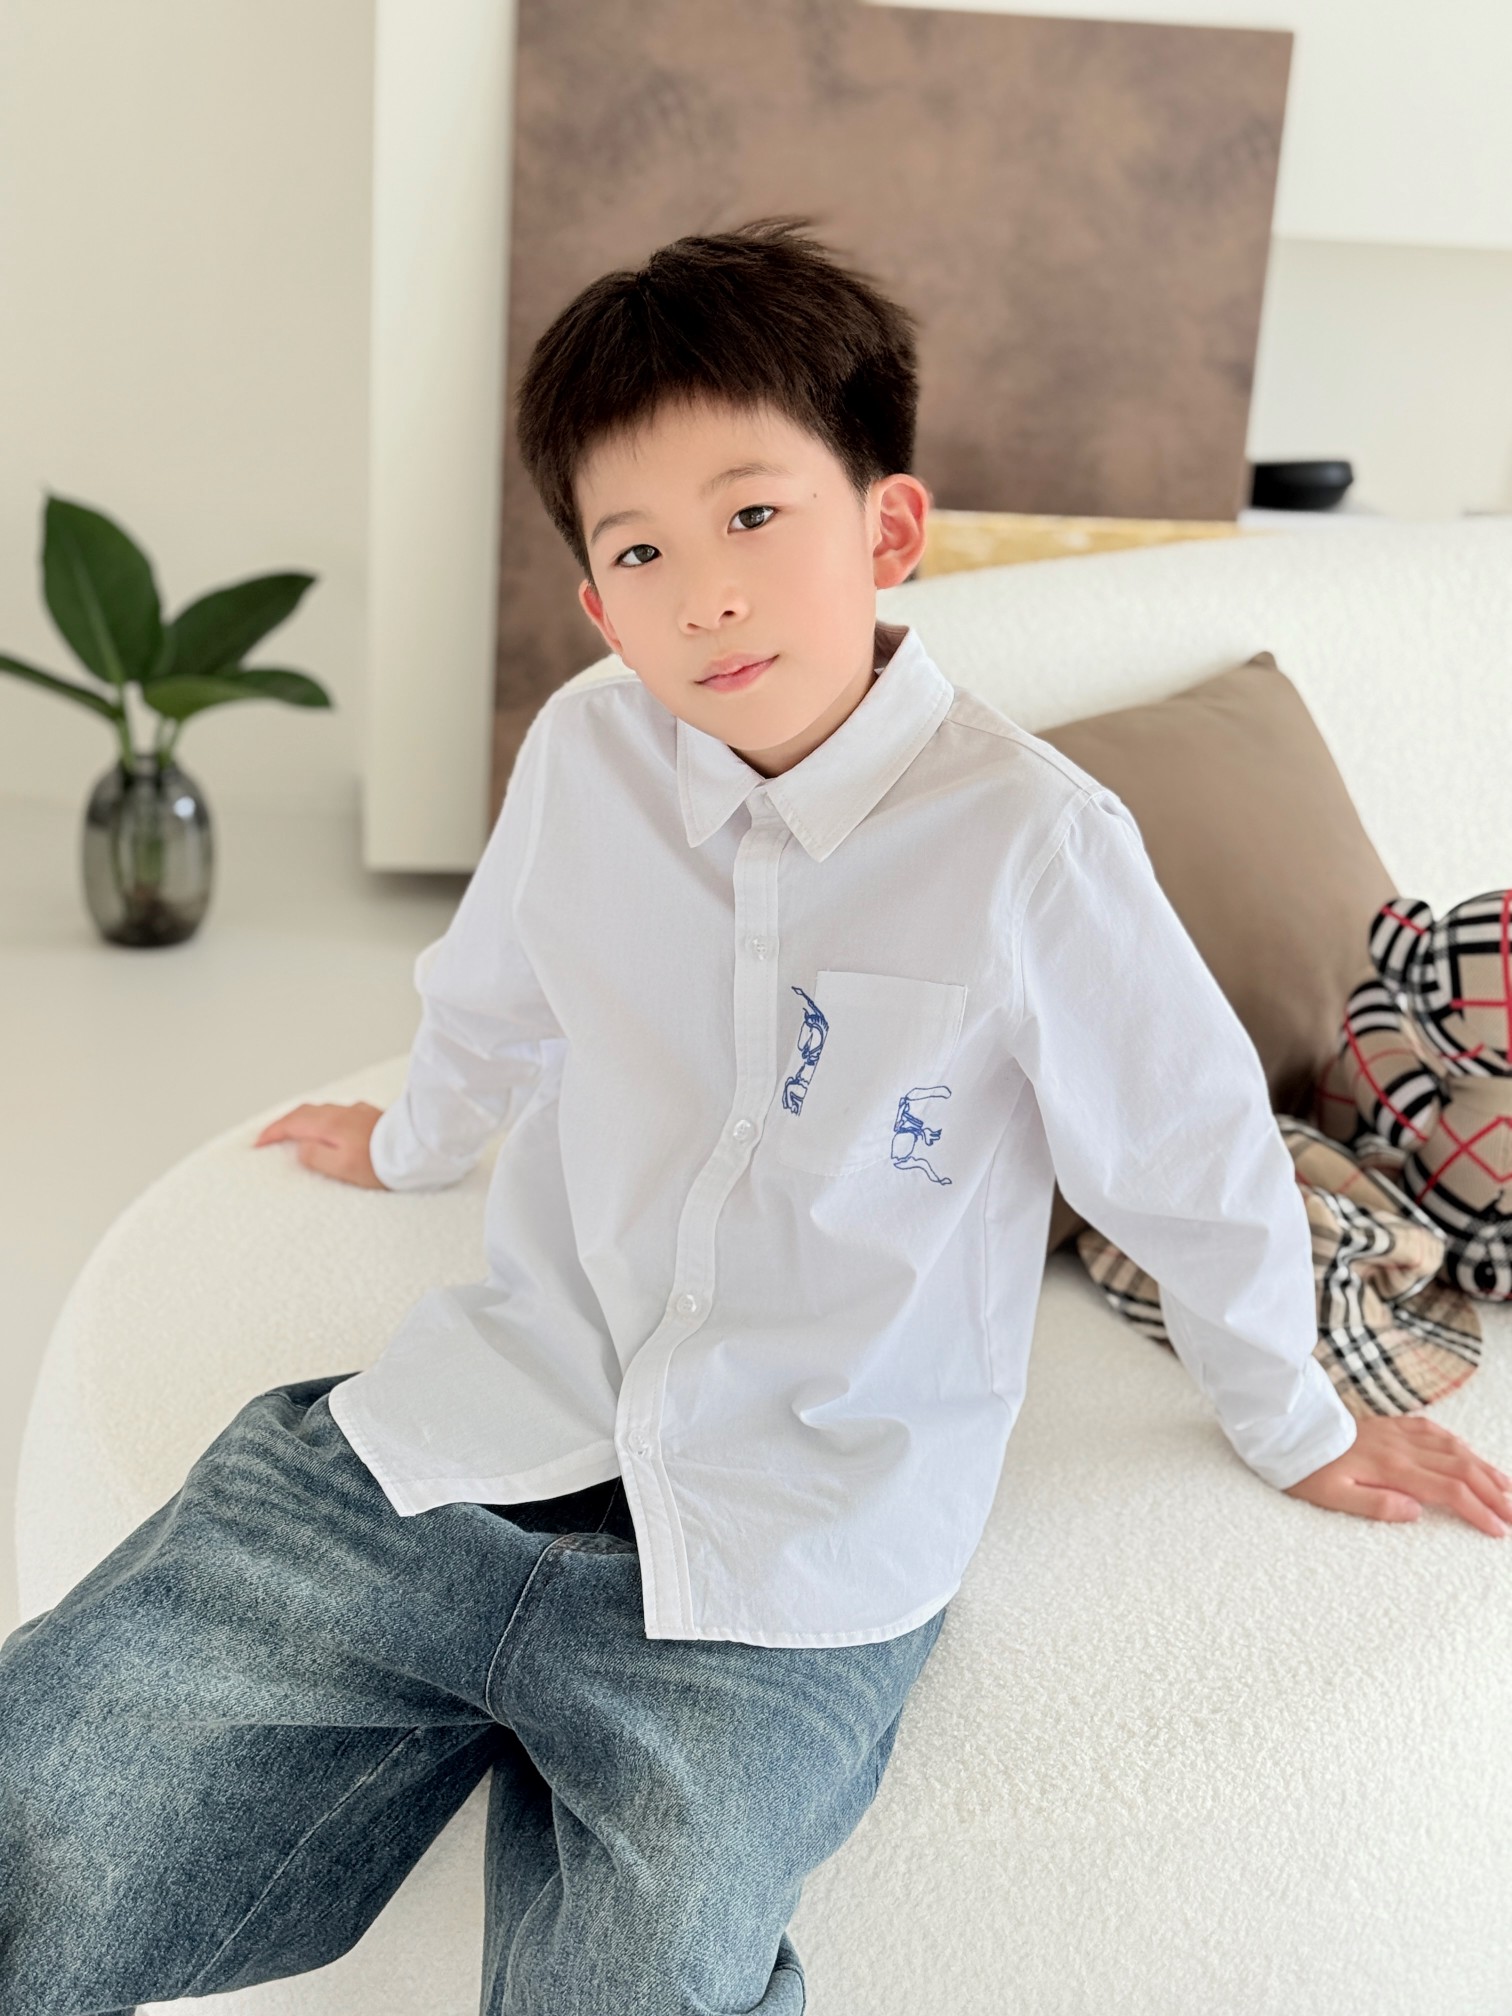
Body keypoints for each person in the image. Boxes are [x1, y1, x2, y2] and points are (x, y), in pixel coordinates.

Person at [2, 215, 1508, 2016]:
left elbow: (1188, 1158)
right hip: (474, 1442)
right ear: (597, 604)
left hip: (796, 1552)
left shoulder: (1032, 843)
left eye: (754, 516)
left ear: (888, 529)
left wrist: (1295, 1421)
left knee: (644, 1984)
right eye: (640, 549)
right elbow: (490, 993)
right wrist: (406, 1142)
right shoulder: (584, 753)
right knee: (42, 1813)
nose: (703, 592)